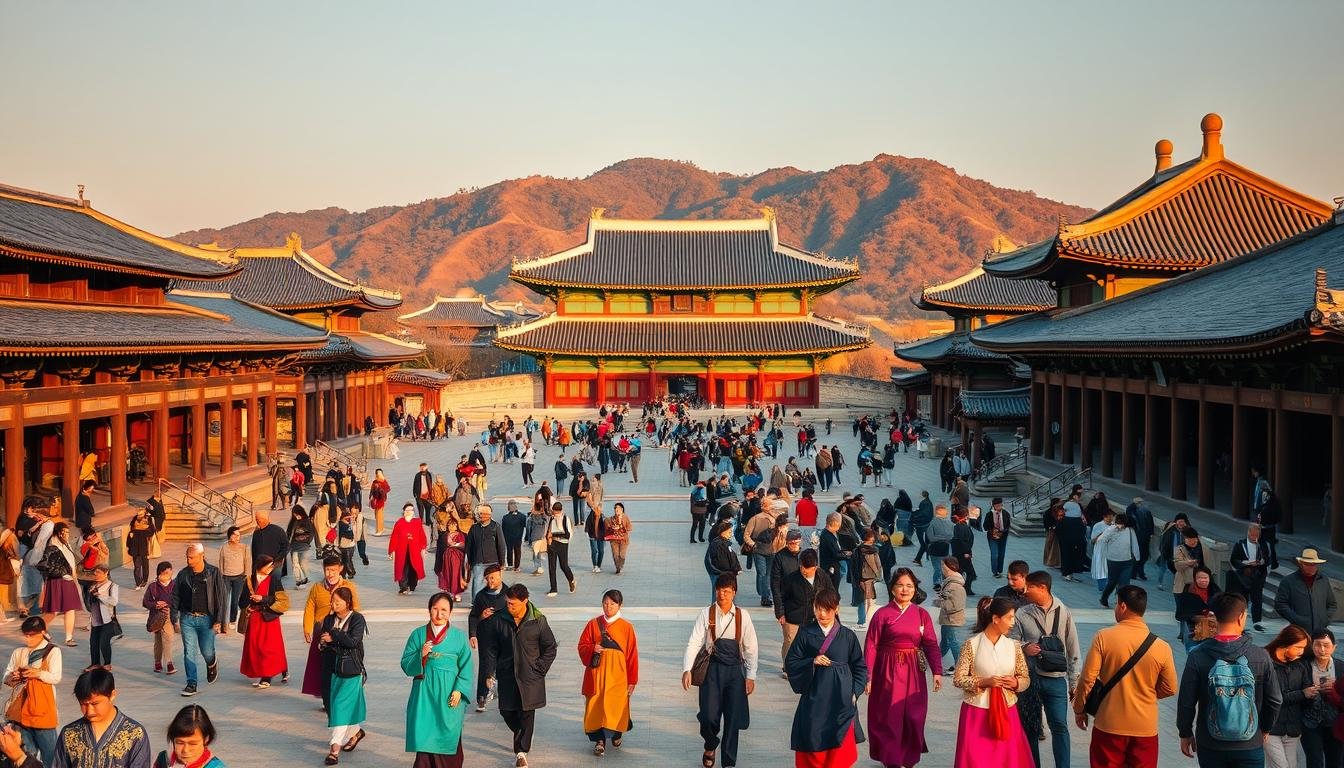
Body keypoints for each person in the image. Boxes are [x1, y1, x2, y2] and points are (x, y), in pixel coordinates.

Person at [1072, 586, 1177, 768]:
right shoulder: (1162, 646)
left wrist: (1079, 708)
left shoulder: (1103, 637)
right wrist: (1145, 693)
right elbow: (1170, 688)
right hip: (1145, 725)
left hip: (1109, 722)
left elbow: (1088, 678)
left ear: (1122, 606)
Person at [1176, 592, 1283, 765]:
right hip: (1249, 743)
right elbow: (1275, 700)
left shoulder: (1198, 655)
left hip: (1210, 742)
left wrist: (1185, 732)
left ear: (1213, 616)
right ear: (1241, 617)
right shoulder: (1260, 655)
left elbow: (1186, 701)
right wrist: (1264, 728)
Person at [866, 567, 942, 767]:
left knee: (913, 715)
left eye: (910, 585)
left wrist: (937, 671)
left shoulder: (921, 614)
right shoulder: (882, 614)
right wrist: (868, 675)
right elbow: (871, 645)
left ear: (915, 589)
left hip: (913, 670)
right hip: (887, 669)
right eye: (900, 585)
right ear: (892, 589)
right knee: (890, 714)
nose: (905, 589)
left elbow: (931, 644)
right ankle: (891, 758)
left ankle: (908, 756)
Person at [786, 587, 869, 768]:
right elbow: (791, 661)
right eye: (818, 608)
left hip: (842, 698)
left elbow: (860, 667)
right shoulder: (806, 632)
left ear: (836, 609)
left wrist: (855, 692)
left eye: (827, 609)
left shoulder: (847, 635)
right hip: (815, 697)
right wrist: (812, 661)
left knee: (839, 748)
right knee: (812, 741)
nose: (822, 614)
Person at [681, 574, 758, 768]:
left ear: (734, 593)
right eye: (719, 590)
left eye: (726, 591)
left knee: (733, 720)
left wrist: (750, 676)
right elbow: (694, 642)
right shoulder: (706, 614)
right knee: (708, 716)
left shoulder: (743, 616)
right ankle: (710, 743)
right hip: (711, 671)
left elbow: (751, 648)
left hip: (735, 672)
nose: (722, 594)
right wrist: (687, 669)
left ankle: (729, 762)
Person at [479, 584, 558, 768]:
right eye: (507, 603)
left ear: (525, 601)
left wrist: (539, 668)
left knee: (527, 713)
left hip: (531, 678)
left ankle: (521, 752)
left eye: (513, 604)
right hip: (507, 675)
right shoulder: (500, 619)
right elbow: (491, 649)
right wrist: (489, 672)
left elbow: (550, 647)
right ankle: (523, 733)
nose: (509, 607)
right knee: (506, 711)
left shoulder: (538, 620)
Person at [951, 597, 1034, 768]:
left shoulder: (1014, 646)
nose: (1013, 623)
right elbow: (958, 679)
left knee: (1007, 758)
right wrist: (984, 681)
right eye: (1010, 618)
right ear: (996, 619)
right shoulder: (971, 645)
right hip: (976, 712)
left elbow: (1025, 678)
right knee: (976, 759)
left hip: (1007, 709)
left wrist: (1015, 683)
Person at [1012, 571, 1080, 768]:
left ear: (1043, 588)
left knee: (1059, 726)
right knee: (1031, 728)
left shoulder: (1064, 612)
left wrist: (1074, 684)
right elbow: (1010, 640)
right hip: (1030, 679)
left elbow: (1073, 647)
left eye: (1030, 587)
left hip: (1057, 680)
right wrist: (1025, 647)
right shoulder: (1022, 613)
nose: (1026, 591)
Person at [402, 592, 473, 767]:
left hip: (449, 694)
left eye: (444, 610)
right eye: (435, 609)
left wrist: (459, 690)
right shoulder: (418, 635)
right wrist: (421, 655)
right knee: (424, 737)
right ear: (429, 610)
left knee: (448, 734)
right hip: (424, 694)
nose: (439, 614)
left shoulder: (458, 637)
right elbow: (405, 664)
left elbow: (467, 667)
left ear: (450, 613)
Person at [578, 590, 639, 755]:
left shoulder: (627, 627)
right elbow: (582, 645)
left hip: (618, 676)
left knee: (616, 706)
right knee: (596, 706)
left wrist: (632, 680)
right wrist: (593, 648)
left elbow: (632, 655)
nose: (608, 607)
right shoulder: (593, 624)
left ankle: (617, 731)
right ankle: (600, 740)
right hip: (596, 674)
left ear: (620, 605)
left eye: (612, 604)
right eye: (605, 603)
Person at [302, 555, 360, 711]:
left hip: (342, 632)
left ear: (340, 568)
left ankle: (340, 696)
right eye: (327, 570)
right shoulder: (317, 587)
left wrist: (354, 630)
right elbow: (309, 608)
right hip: (321, 632)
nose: (330, 573)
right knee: (321, 666)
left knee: (341, 665)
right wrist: (307, 628)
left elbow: (355, 609)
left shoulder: (348, 587)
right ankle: (325, 696)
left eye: (333, 570)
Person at [319, 586, 367, 765]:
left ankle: (334, 749)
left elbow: (354, 641)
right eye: (332, 601)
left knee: (339, 707)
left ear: (347, 603)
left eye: (337, 602)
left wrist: (335, 635)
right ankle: (356, 732)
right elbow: (325, 639)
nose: (334, 604)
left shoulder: (357, 619)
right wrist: (325, 642)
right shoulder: (329, 619)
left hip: (350, 670)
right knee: (330, 705)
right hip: (330, 667)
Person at [4, 616, 61, 763]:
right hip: (21, 712)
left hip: (43, 711)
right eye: (26, 636)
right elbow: (6, 678)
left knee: (50, 757)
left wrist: (37, 673)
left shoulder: (52, 651)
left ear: (42, 632)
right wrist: (14, 676)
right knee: (26, 755)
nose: (28, 639)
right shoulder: (19, 652)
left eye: (32, 635)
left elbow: (56, 677)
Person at [173, 543, 224, 697]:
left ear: (202, 556)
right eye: (187, 557)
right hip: (187, 618)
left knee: (206, 651)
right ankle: (191, 683)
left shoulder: (213, 572)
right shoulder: (183, 574)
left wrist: (219, 620)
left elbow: (220, 597)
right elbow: (175, 596)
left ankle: (212, 662)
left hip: (206, 619)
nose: (189, 561)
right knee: (189, 651)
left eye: (192, 557)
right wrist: (174, 617)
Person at [1264, 624, 1312, 768]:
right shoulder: (1266, 662)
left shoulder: (1300, 665)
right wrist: (1303, 693)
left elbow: (1307, 690)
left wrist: (1312, 694)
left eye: (1304, 648)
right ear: (1286, 643)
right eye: (1298, 647)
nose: (1302, 652)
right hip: (1270, 729)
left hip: (1292, 729)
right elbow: (1273, 698)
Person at [779, 548, 833, 673]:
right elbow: (781, 597)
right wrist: (780, 613)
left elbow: (831, 592)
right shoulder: (791, 579)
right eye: (802, 567)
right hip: (793, 616)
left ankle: (808, 666)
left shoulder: (822, 576)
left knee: (811, 644)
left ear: (815, 567)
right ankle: (789, 668)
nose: (804, 571)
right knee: (790, 642)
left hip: (814, 617)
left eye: (807, 569)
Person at [240, 554, 288, 688]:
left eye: (272, 565)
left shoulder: (274, 580)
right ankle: (266, 671)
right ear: (260, 566)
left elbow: (279, 599)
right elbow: (241, 601)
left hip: (269, 617)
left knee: (269, 648)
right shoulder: (249, 580)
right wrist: (248, 607)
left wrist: (263, 599)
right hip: (254, 618)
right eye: (268, 565)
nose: (271, 568)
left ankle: (267, 677)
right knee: (256, 647)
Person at [468, 565, 508, 712]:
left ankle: (502, 693)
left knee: (504, 667)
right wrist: (473, 632)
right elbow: (473, 616)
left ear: (500, 575)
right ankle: (482, 697)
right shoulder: (481, 596)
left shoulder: (509, 594)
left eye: (493, 577)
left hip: (505, 638)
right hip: (486, 638)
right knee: (486, 667)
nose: (490, 581)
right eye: (487, 578)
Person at [1275, 548, 1338, 636]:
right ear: (1301, 564)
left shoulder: (1323, 580)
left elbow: (1332, 604)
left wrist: (1324, 619)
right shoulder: (1289, 581)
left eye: (1313, 564)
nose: (1311, 567)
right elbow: (1280, 604)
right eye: (1308, 564)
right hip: (1299, 632)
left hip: (1320, 633)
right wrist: (1295, 619)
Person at [1302, 629, 1341, 768]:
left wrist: (1334, 692)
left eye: (1326, 645)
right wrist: (1305, 692)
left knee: (1336, 761)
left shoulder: (1340, 667)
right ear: (1311, 646)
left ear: (1334, 647)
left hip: (1335, 723)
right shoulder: (1303, 665)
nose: (1322, 649)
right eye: (1317, 645)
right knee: (1315, 761)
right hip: (1311, 723)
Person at [38, 521, 80, 647]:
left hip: (68, 580)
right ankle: (39, 629)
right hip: (58, 579)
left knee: (70, 609)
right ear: (59, 532)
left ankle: (69, 638)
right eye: (65, 532)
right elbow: (50, 565)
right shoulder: (52, 545)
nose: (67, 534)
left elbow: (71, 562)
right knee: (53, 610)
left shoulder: (65, 544)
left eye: (68, 532)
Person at [1227, 524, 1271, 633]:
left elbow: (1269, 559)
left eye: (1256, 535)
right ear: (1248, 533)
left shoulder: (1263, 545)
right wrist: (1244, 564)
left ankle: (1257, 623)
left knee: (1257, 601)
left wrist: (1263, 562)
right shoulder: (1240, 544)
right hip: (1243, 576)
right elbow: (1233, 559)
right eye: (1252, 535)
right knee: (1242, 601)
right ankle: (1238, 624)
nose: (1254, 537)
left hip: (1258, 576)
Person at [155, 704, 224, 768]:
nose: (185, 750)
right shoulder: (163, 759)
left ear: (206, 739)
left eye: (193, 744)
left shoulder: (215, 766)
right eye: (180, 743)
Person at [1097, 513, 1141, 608]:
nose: (1120, 525)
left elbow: (1135, 544)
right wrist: (1112, 530)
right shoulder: (1110, 529)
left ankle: (1120, 603)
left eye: (1122, 523)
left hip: (1127, 561)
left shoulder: (1130, 530)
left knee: (1124, 584)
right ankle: (1104, 598)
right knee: (1112, 582)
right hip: (1113, 561)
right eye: (1119, 523)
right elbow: (1101, 540)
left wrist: (1137, 557)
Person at [1176, 567, 1223, 652]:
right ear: (1194, 578)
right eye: (1199, 578)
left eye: (1205, 578)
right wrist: (1195, 617)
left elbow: (1223, 606)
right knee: (1192, 653)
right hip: (1192, 629)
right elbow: (1181, 612)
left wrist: (1213, 614)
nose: (1203, 580)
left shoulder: (1215, 590)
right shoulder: (1189, 590)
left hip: (1212, 630)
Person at [143, 562, 178, 675]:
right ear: (160, 573)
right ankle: (157, 663)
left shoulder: (175, 585)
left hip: (168, 615)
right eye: (165, 572)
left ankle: (169, 663)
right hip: (156, 616)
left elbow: (178, 601)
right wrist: (155, 604)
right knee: (158, 641)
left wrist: (168, 604)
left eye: (170, 571)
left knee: (168, 638)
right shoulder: (153, 586)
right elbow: (145, 602)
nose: (168, 574)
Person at [465, 504, 507, 598]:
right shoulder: (474, 528)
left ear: (489, 515)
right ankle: (476, 602)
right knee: (477, 583)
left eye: (483, 514)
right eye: (479, 514)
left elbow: (501, 545)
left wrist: (502, 562)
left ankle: (494, 600)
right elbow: (469, 546)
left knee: (494, 582)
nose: (480, 516)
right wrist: (469, 561)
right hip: (478, 561)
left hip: (493, 561)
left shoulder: (496, 527)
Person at [935, 556, 968, 668]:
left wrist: (940, 603)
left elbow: (956, 605)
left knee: (953, 642)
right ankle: (934, 659)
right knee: (945, 642)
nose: (941, 569)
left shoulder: (955, 585)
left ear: (948, 568)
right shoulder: (950, 582)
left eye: (942, 566)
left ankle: (959, 667)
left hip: (952, 620)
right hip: (947, 619)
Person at [390, 504, 428, 595]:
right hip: (401, 550)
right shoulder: (399, 523)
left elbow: (422, 535)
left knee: (413, 568)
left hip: (414, 550)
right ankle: (403, 586)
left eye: (410, 510)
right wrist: (392, 549)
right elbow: (394, 537)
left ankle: (412, 585)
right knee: (402, 568)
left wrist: (423, 546)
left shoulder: (417, 522)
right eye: (406, 510)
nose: (408, 512)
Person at [86, 564, 118, 671]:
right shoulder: (93, 586)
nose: (96, 575)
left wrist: (99, 595)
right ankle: (95, 663)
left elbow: (114, 601)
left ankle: (107, 663)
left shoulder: (112, 586)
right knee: (93, 642)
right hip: (95, 619)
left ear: (106, 573)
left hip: (107, 619)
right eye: (95, 572)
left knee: (104, 642)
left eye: (99, 572)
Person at [250, 509, 289, 586]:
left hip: (274, 565)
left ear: (263, 520)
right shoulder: (256, 533)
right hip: (261, 567)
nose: (256, 521)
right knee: (262, 588)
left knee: (275, 586)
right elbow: (254, 551)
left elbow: (286, 546)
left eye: (257, 519)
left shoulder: (278, 531)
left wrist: (277, 559)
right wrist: (254, 568)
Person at [544, 502, 576, 598]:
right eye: (554, 512)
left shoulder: (566, 519)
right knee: (551, 566)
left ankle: (571, 579)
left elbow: (567, 535)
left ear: (561, 511)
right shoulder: (551, 518)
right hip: (552, 544)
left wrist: (554, 535)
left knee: (563, 566)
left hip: (562, 544)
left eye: (557, 512)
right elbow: (548, 531)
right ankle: (553, 588)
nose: (556, 514)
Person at [434, 512, 468, 601]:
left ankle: (457, 594)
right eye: (450, 525)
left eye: (454, 525)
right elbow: (440, 549)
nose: (452, 527)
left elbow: (463, 545)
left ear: (457, 526)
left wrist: (454, 545)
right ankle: (447, 592)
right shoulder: (444, 536)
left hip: (457, 560)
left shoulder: (461, 535)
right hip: (445, 560)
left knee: (456, 576)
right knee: (446, 575)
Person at [705, 521, 743, 599]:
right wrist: (733, 570)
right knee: (721, 596)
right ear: (723, 531)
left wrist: (737, 568)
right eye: (729, 531)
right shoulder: (719, 544)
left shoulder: (725, 543)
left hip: (726, 573)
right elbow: (722, 562)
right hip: (722, 574)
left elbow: (732, 557)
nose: (731, 533)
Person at [125, 507, 157, 590]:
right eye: (138, 514)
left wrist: (143, 531)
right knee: (137, 566)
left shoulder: (148, 519)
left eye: (141, 514)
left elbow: (152, 531)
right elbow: (131, 531)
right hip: (135, 546)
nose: (139, 516)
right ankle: (138, 583)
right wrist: (130, 541)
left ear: (144, 513)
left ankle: (145, 580)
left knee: (145, 565)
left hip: (144, 545)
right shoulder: (134, 519)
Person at [283, 507, 316, 588]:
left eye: (296, 513)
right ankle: (299, 581)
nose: (295, 515)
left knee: (302, 563)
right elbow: (289, 533)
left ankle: (306, 577)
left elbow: (311, 534)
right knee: (295, 564)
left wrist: (306, 542)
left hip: (303, 546)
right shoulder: (293, 522)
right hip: (294, 547)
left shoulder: (307, 521)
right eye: (294, 514)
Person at [982, 497, 1011, 578]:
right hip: (992, 537)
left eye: (1000, 505)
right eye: (996, 505)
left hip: (1003, 537)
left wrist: (1003, 531)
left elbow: (1008, 525)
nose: (998, 507)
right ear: (993, 506)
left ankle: (1000, 570)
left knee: (1001, 554)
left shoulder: (1006, 514)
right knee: (995, 554)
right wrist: (992, 529)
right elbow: (985, 527)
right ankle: (995, 572)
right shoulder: (989, 514)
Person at [605, 502, 633, 576]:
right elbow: (608, 527)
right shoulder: (611, 519)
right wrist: (612, 527)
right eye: (615, 508)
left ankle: (621, 565)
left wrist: (621, 527)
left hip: (624, 540)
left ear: (622, 509)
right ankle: (618, 568)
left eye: (617, 508)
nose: (616, 510)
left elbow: (630, 527)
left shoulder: (625, 517)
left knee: (622, 555)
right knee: (615, 555)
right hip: (614, 540)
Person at [501, 501, 527, 573]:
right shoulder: (522, 516)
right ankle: (517, 566)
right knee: (517, 551)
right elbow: (525, 526)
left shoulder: (505, 517)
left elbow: (503, 528)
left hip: (508, 537)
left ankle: (510, 565)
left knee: (509, 550)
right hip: (518, 537)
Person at [584, 503, 607, 574]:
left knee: (601, 551)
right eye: (597, 509)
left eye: (600, 509)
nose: (598, 510)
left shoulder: (602, 517)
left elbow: (606, 525)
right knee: (594, 551)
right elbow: (587, 527)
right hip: (592, 536)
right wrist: (588, 534)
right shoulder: (590, 517)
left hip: (601, 536)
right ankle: (595, 565)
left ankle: (599, 566)